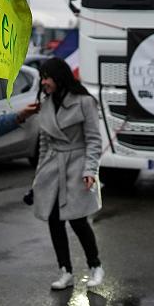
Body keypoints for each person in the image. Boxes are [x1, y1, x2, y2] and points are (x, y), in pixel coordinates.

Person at [31, 58, 105, 290]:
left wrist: (90, 170)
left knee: (78, 220)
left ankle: (95, 266)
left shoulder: (84, 102)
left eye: (47, 77)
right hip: (52, 167)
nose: (43, 82)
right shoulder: (46, 102)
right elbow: (44, 141)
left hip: (77, 165)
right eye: (42, 77)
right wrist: (39, 175)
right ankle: (65, 270)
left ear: (59, 77)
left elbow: (94, 139)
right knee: (54, 220)